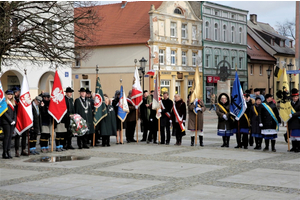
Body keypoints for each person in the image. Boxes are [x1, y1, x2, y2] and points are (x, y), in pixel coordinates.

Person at [1, 90, 16, 159]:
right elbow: (4, 113)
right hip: (6, 122)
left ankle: (8, 151)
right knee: (6, 137)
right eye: (9, 94)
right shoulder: (4, 103)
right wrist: (10, 120)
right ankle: (4, 152)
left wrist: (14, 120)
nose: (10, 95)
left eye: (11, 94)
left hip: (12, 122)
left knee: (10, 137)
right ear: (6, 95)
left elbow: (14, 113)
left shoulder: (12, 103)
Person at [288, 88, 300, 153]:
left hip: (298, 121)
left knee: (297, 136)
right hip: (291, 121)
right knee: (292, 136)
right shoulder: (290, 103)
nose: (295, 98)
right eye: (294, 97)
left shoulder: (299, 103)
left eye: (296, 97)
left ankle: (298, 147)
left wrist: (293, 114)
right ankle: (294, 147)